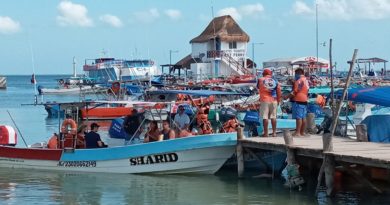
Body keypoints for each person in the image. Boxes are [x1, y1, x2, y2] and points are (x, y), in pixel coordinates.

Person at [257, 69, 281, 137]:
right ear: (270, 74)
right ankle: (274, 133)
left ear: (263, 74)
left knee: (265, 117)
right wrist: (278, 100)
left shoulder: (260, 79)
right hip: (274, 100)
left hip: (264, 100)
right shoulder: (275, 80)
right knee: (273, 117)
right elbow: (279, 91)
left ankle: (266, 133)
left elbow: (258, 87)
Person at [285, 68, 309, 136]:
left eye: (295, 73)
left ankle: (298, 132)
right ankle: (302, 132)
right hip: (305, 99)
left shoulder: (298, 80)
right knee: (303, 117)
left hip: (298, 99)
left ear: (298, 73)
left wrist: (286, 97)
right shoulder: (306, 80)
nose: (295, 75)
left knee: (298, 117)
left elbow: (295, 91)